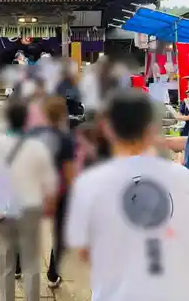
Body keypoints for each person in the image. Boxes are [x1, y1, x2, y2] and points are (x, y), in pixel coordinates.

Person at [66, 88, 189, 301]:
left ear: (107, 129)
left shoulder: (89, 185)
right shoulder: (182, 178)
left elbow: (84, 252)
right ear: (151, 128)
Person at [0, 100, 57, 301]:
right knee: (31, 263)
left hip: (4, 210)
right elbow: (48, 181)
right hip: (30, 209)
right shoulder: (37, 146)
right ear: (26, 121)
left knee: (5, 264)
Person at [16, 96, 75, 288]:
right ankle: (53, 274)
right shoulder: (65, 139)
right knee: (60, 233)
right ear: (63, 116)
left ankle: (17, 266)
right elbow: (68, 172)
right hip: (57, 192)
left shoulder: (31, 134)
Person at [173, 88, 189, 168]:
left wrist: (184, 117)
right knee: (184, 147)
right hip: (186, 127)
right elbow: (178, 116)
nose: (188, 94)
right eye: (187, 92)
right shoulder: (185, 102)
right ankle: (182, 165)